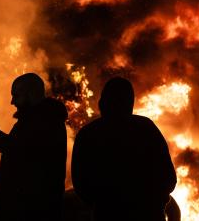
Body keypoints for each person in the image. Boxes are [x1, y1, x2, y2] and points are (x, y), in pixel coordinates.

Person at [71, 77, 177, 221]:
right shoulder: (146, 128)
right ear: (130, 103)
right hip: (148, 213)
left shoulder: (88, 134)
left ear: (102, 103)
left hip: (108, 213)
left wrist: (101, 204)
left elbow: (81, 183)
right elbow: (168, 175)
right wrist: (157, 201)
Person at [0, 72, 68, 221]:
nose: (12, 101)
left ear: (30, 94)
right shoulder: (42, 118)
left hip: (31, 210)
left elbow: (12, 148)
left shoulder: (41, 122)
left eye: (16, 95)